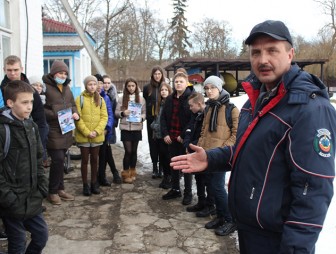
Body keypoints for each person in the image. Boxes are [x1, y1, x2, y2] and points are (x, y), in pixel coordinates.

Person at [171, 20, 336, 254]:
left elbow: (313, 190)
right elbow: (249, 149)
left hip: (278, 239)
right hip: (251, 230)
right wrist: (211, 158)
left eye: (272, 50)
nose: (262, 60)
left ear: (290, 54)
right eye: (256, 52)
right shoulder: (257, 99)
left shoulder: (310, 110)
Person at [0, 80, 48, 253]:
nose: (29, 107)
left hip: (32, 198)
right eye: (24, 102)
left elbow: (38, 159)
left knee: (41, 236)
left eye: (31, 102)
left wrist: (42, 187)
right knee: (17, 243)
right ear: (10, 103)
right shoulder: (3, 129)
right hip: (11, 201)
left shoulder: (32, 126)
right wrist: (8, 198)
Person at [196, 76, 239, 236]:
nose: (208, 91)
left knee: (218, 188)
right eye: (206, 88)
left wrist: (222, 150)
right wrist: (200, 147)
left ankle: (230, 219)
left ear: (219, 88)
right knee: (211, 186)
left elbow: (236, 134)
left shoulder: (231, 109)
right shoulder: (208, 108)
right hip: (207, 154)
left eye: (212, 88)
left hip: (220, 155)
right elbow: (203, 131)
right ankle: (220, 216)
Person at [43, 60, 79, 205]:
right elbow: (41, 110)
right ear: (53, 73)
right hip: (52, 129)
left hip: (66, 129)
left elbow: (73, 105)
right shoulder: (46, 88)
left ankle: (60, 188)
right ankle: (52, 191)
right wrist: (56, 114)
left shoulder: (67, 88)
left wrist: (75, 114)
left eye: (65, 73)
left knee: (61, 159)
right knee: (57, 159)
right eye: (60, 73)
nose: (63, 76)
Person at [161, 72, 195, 205]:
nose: (178, 84)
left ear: (186, 83)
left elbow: (193, 119)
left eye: (181, 81)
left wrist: (183, 134)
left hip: (184, 138)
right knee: (174, 164)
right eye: (176, 82)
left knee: (186, 166)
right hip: (171, 137)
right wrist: (165, 134)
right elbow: (163, 118)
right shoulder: (169, 99)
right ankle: (175, 189)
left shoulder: (190, 98)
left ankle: (188, 193)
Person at [75, 75, 108, 196]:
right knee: (85, 160)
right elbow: (78, 118)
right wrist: (87, 132)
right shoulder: (79, 99)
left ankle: (94, 183)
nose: (92, 86)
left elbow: (104, 117)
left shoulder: (101, 100)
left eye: (94, 84)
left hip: (96, 136)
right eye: (90, 84)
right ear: (86, 85)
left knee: (95, 160)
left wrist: (97, 131)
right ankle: (85, 185)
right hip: (84, 136)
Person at [182, 92, 210, 212]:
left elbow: (203, 136)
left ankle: (209, 204)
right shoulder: (195, 115)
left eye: (191, 105)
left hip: (203, 151)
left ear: (199, 104)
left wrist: (191, 145)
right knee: (198, 178)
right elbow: (188, 130)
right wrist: (187, 144)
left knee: (206, 179)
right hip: (192, 148)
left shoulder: (207, 115)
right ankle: (201, 201)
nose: (190, 108)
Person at [115, 78, 146, 184]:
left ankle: (133, 171)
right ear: (126, 87)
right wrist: (123, 113)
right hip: (125, 128)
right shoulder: (121, 98)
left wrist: (141, 118)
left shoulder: (141, 99)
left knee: (134, 151)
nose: (131, 88)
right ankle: (125, 172)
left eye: (133, 86)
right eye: (129, 86)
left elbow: (144, 113)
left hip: (136, 127)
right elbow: (116, 112)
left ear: (136, 86)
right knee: (128, 151)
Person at [98, 74, 122, 185]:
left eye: (108, 83)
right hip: (99, 127)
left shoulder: (112, 96)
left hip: (109, 127)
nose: (106, 85)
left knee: (106, 150)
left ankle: (104, 175)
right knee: (106, 151)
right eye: (104, 82)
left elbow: (113, 112)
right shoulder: (98, 94)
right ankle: (113, 173)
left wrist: (111, 126)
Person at [143, 66, 165, 178]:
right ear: (152, 75)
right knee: (153, 144)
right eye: (155, 74)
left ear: (162, 75)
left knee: (162, 144)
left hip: (162, 120)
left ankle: (161, 168)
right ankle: (154, 168)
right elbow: (145, 101)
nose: (157, 76)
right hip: (151, 120)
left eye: (159, 74)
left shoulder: (164, 86)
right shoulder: (147, 87)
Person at [150, 82, 173, 189]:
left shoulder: (171, 103)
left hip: (167, 135)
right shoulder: (159, 104)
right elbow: (156, 119)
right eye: (162, 90)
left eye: (165, 90)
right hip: (158, 135)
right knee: (162, 157)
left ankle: (169, 177)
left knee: (168, 157)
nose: (163, 92)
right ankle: (166, 176)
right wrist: (153, 125)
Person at [29, 75, 49, 167]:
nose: (38, 87)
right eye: (35, 85)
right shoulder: (30, 101)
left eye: (40, 85)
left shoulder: (46, 99)